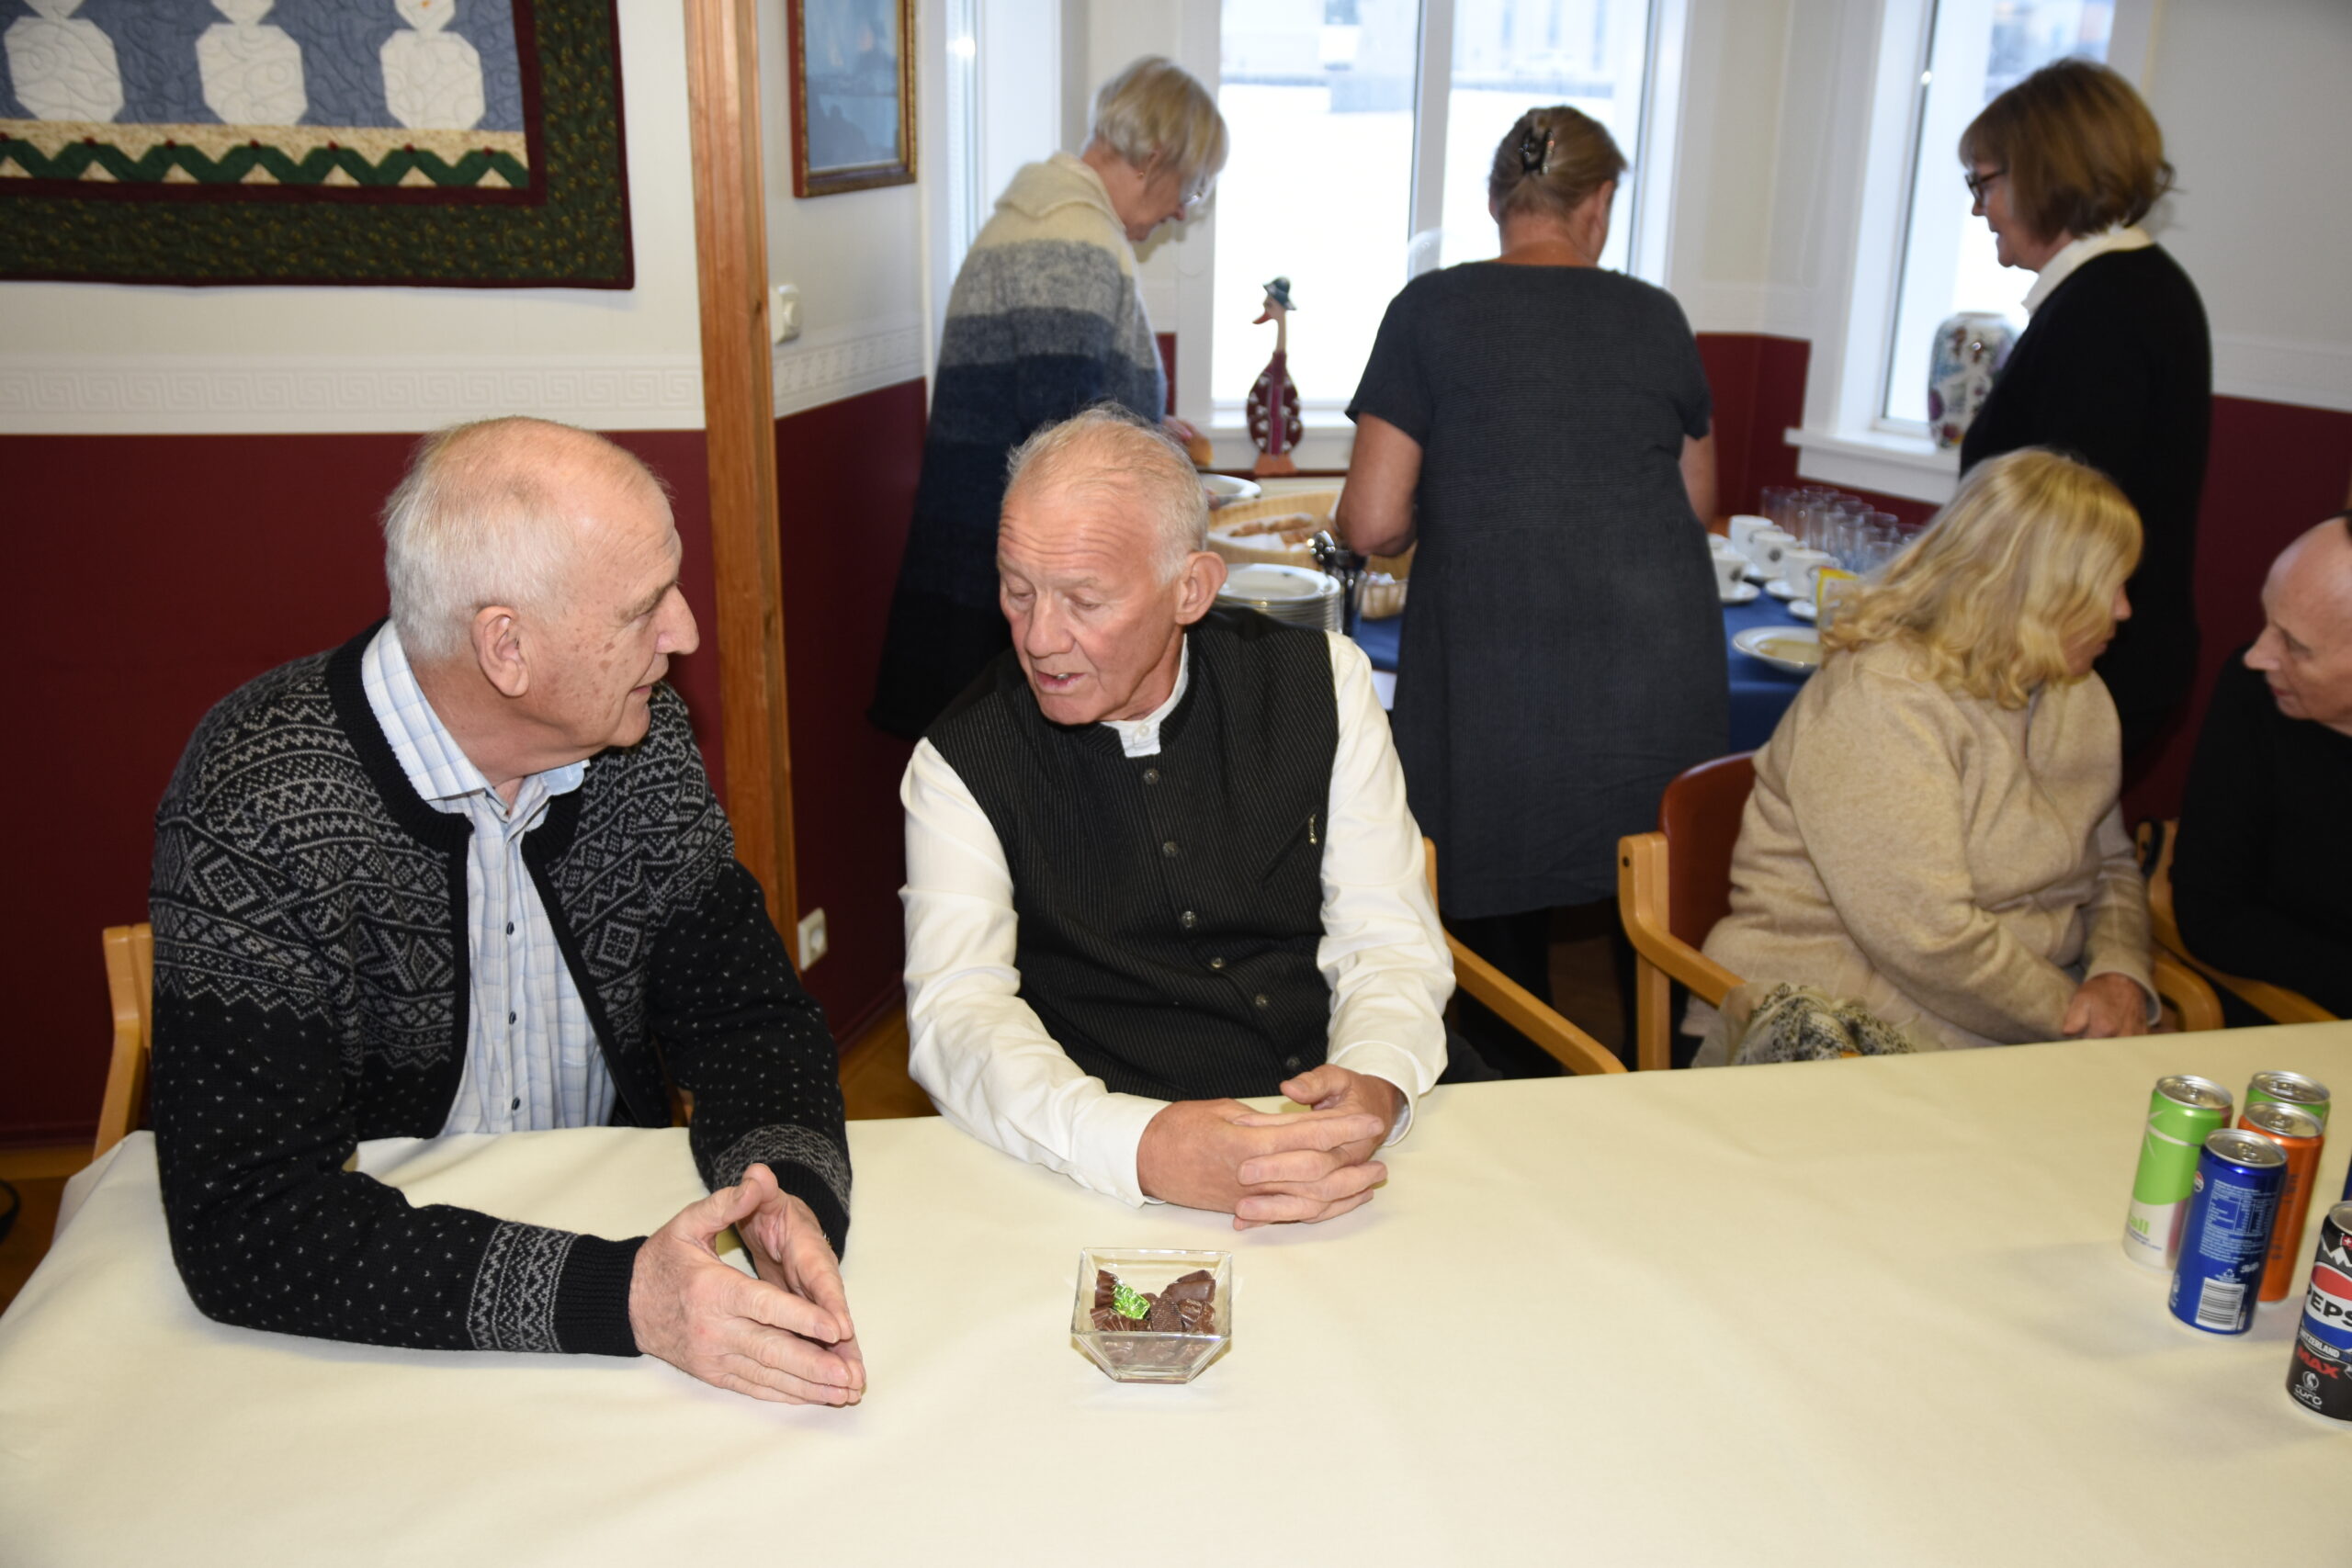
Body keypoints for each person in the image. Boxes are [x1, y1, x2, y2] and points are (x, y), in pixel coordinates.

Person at [150, 418, 863, 1406]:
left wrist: (782, 1191)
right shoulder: (259, 800)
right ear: (507, 648)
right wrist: (624, 1298)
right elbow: (249, 1223)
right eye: (643, 608)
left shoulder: (637, 740)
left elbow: (747, 1020)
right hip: (376, 1314)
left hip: (620, 1229)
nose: (686, 632)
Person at [899, 409, 1453, 1226]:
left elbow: (1387, 938)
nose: (1040, 638)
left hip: (1367, 1141)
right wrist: (1140, 1145)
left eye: (1085, 600)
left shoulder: (1324, 683)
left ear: (1191, 588)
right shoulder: (959, 761)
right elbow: (960, 1014)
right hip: (1110, 1165)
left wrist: (1375, 1078)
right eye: (1017, 591)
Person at [1335, 105, 1724, 1072]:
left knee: (1497, 933)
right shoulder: (1655, 315)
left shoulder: (1429, 310)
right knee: (1652, 906)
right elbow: (1698, 503)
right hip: (1651, 671)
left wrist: (1442, 510)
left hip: (1499, 674)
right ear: (1599, 203)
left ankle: (1526, 1087)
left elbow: (1370, 523)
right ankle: (1662, 1089)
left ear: (1494, 202)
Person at [1700, 448, 2156, 1054]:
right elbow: (1930, 940)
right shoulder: (1884, 697)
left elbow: (2113, 864)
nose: (2124, 609)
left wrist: (2119, 971)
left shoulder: (2081, 692)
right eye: (2107, 586)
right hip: (1849, 1017)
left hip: (2014, 1016)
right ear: (2032, 590)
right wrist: (2080, 1018)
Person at [868, 56, 1227, 740]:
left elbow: (1053, 400)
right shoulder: (1072, 241)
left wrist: (1146, 427)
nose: (1184, 209)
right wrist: (1164, 488)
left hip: (995, 568)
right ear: (1155, 157)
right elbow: (1064, 440)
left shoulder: (1039, 220)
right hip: (1020, 590)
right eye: (1192, 186)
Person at [1957, 58, 2211, 765]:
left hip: (2085, 671)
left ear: (2042, 174)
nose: (1978, 209)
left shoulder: (2104, 311)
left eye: (1983, 183)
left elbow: (2059, 535)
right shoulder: (2131, 289)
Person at [2171, 513, 2352, 1017]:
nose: (2257, 655)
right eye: (2267, 620)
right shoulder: (2255, 694)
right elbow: (2211, 914)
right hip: (2285, 1013)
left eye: (2294, 645)